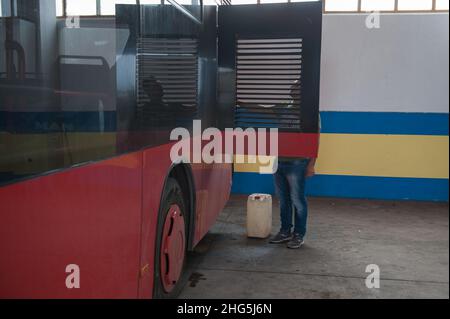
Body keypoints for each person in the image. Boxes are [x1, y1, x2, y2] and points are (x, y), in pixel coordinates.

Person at [269, 81, 320, 249]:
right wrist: (238, 101)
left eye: (298, 87)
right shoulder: (283, 108)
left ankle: (299, 234)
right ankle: (285, 231)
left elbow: (316, 139)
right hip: (280, 161)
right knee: (283, 200)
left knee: (297, 200)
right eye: (293, 88)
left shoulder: (311, 112)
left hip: (298, 163)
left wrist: (311, 164)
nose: (294, 90)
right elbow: (261, 109)